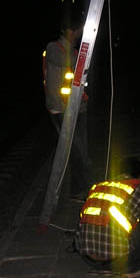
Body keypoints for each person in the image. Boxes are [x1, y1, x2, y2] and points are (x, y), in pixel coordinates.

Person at [73, 158, 140, 278]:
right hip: (120, 260)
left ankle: (103, 266)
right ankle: (131, 267)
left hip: (87, 258)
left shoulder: (98, 186)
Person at [43, 13, 92, 196]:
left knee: (82, 151)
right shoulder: (54, 48)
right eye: (74, 30)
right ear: (65, 30)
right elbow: (73, 63)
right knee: (76, 151)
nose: (77, 33)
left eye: (78, 30)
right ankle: (80, 189)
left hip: (78, 108)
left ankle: (81, 187)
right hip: (61, 109)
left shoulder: (73, 50)